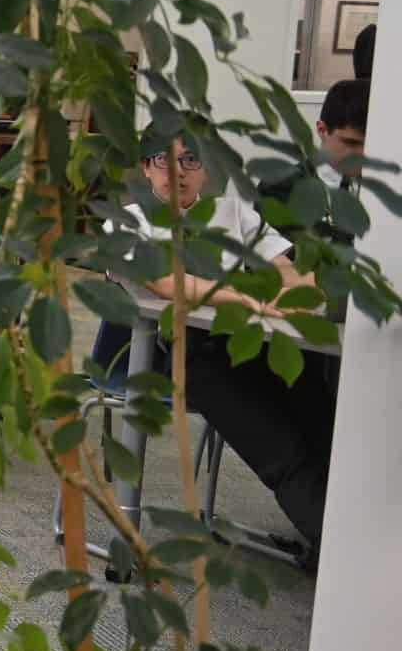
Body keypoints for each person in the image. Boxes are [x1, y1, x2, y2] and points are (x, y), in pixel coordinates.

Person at [132, 141, 336, 554]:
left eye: (192, 159)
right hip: (189, 357)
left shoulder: (233, 212)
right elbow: (165, 281)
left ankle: (366, 540)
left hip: (253, 346)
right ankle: (344, 555)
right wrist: (243, 297)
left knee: (330, 426)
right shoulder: (130, 222)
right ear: (146, 168)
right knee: (285, 452)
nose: (179, 170)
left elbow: (285, 269)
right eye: (164, 160)